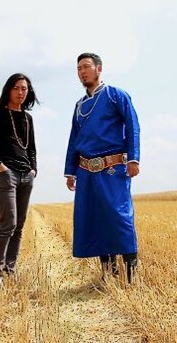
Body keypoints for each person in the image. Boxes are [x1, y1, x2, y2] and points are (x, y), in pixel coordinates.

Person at [64, 52, 141, 283]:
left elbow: (133, 125)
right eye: (79, 68)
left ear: (99, 68)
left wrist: (134, 158)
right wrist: (70, 171)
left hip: (113, 168)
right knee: (96, 218)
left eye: (86, 66)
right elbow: (74, 139)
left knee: (119, 217)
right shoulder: (79, 106)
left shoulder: (116, 95)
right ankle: (109, 272)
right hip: (86, 170)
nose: (82, 72)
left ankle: (132, 275)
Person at [0, 73, 38, 289]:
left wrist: (33, 170)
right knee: (8, 223)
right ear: (8, 89)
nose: (21, 92)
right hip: (6, 175)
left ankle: (9, 271)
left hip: (26, 176)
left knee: (19, 226)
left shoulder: (28, 119)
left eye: (24, 89)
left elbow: (32, 149)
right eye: (16, 88)